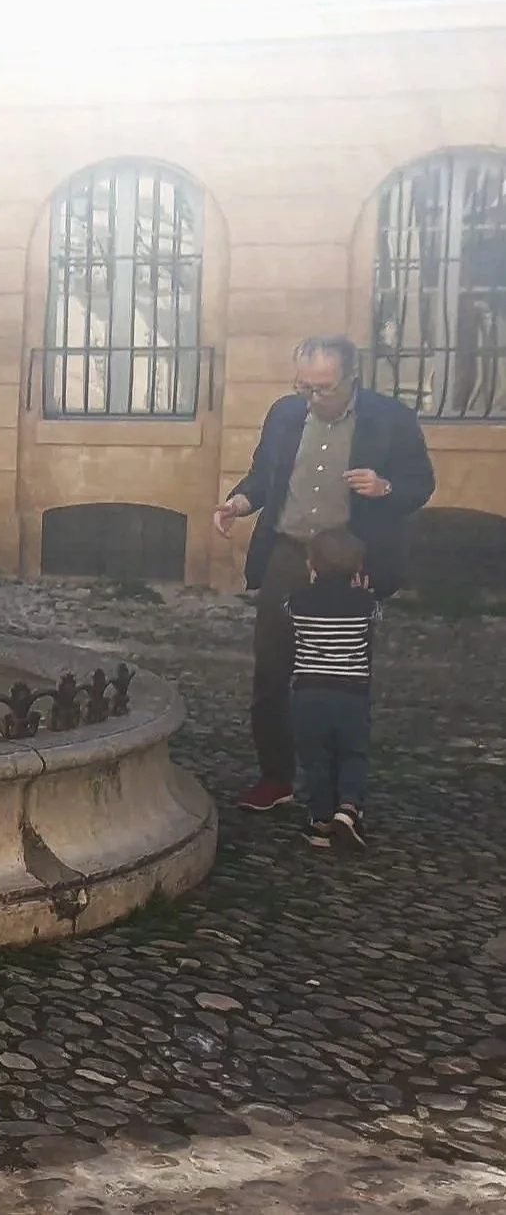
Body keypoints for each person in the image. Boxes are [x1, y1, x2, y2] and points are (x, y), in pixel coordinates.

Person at [213, 335, 431, 813]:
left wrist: (385, 486)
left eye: (324, 388)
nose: (313, 397)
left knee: (341, 679)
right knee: (271, 672)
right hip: (288, 555)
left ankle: (338, 791)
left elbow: (421, 484)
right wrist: (239, 503)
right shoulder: (285, 414)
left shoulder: (389, 418)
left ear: (352, 378)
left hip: (351, 563)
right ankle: (277, 776)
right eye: (305, 385)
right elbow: (264, 477)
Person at [288, 528, 377, 850]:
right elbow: (372, 624)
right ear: (357, 569)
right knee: (353, 753)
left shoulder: (297, 601)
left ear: (312, 566)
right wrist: (361, 593)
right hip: (351, 694)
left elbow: (289, 620)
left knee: (315, 759)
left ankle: (321, 822)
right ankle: (349, 807)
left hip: (308, 694)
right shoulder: (365, 603)